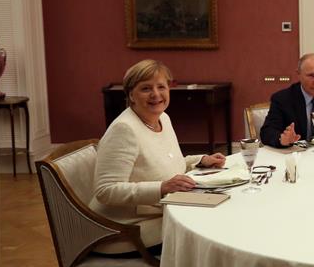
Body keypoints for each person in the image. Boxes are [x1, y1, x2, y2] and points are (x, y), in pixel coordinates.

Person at [90, 60, 226, 255]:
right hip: (126, 230)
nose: (156, 94)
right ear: (131, 95)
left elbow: (166, 165)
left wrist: (200, 160)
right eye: (146, 88)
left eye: (161, 87)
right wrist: (162, 188)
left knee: (223, 214)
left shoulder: (162, 118)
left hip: (161, 212)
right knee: (214, 234)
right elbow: (106, 191)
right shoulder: (124, 129)